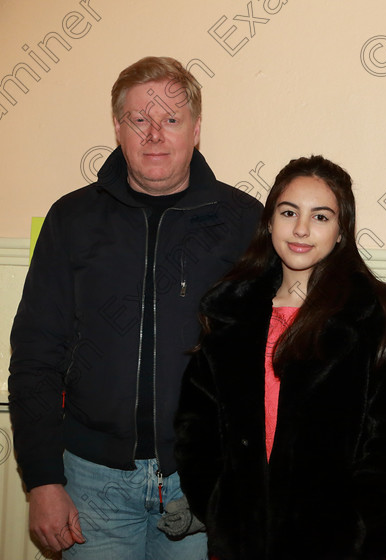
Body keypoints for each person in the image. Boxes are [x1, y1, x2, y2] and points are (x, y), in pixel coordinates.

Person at [8, 56, 262, 559]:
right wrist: (42, 480)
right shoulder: (72, 219)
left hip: (201, 478)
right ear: (118, 128)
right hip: (90, 484)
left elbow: (273, 351)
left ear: (195, 129)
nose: (154, 135)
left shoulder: (243, 221)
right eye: (139, 120)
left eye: (171, 119)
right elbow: (36, 355)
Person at [173, 155, 386, 559]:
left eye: (321, 217)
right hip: (245, 543)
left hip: (338, 547)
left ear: (342, 231)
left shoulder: (375, 312)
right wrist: (218, 507)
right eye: (289, 211)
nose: (301, 229)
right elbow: (196, 426)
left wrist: (350, 523)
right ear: (270, 221)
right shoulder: (229, 309)